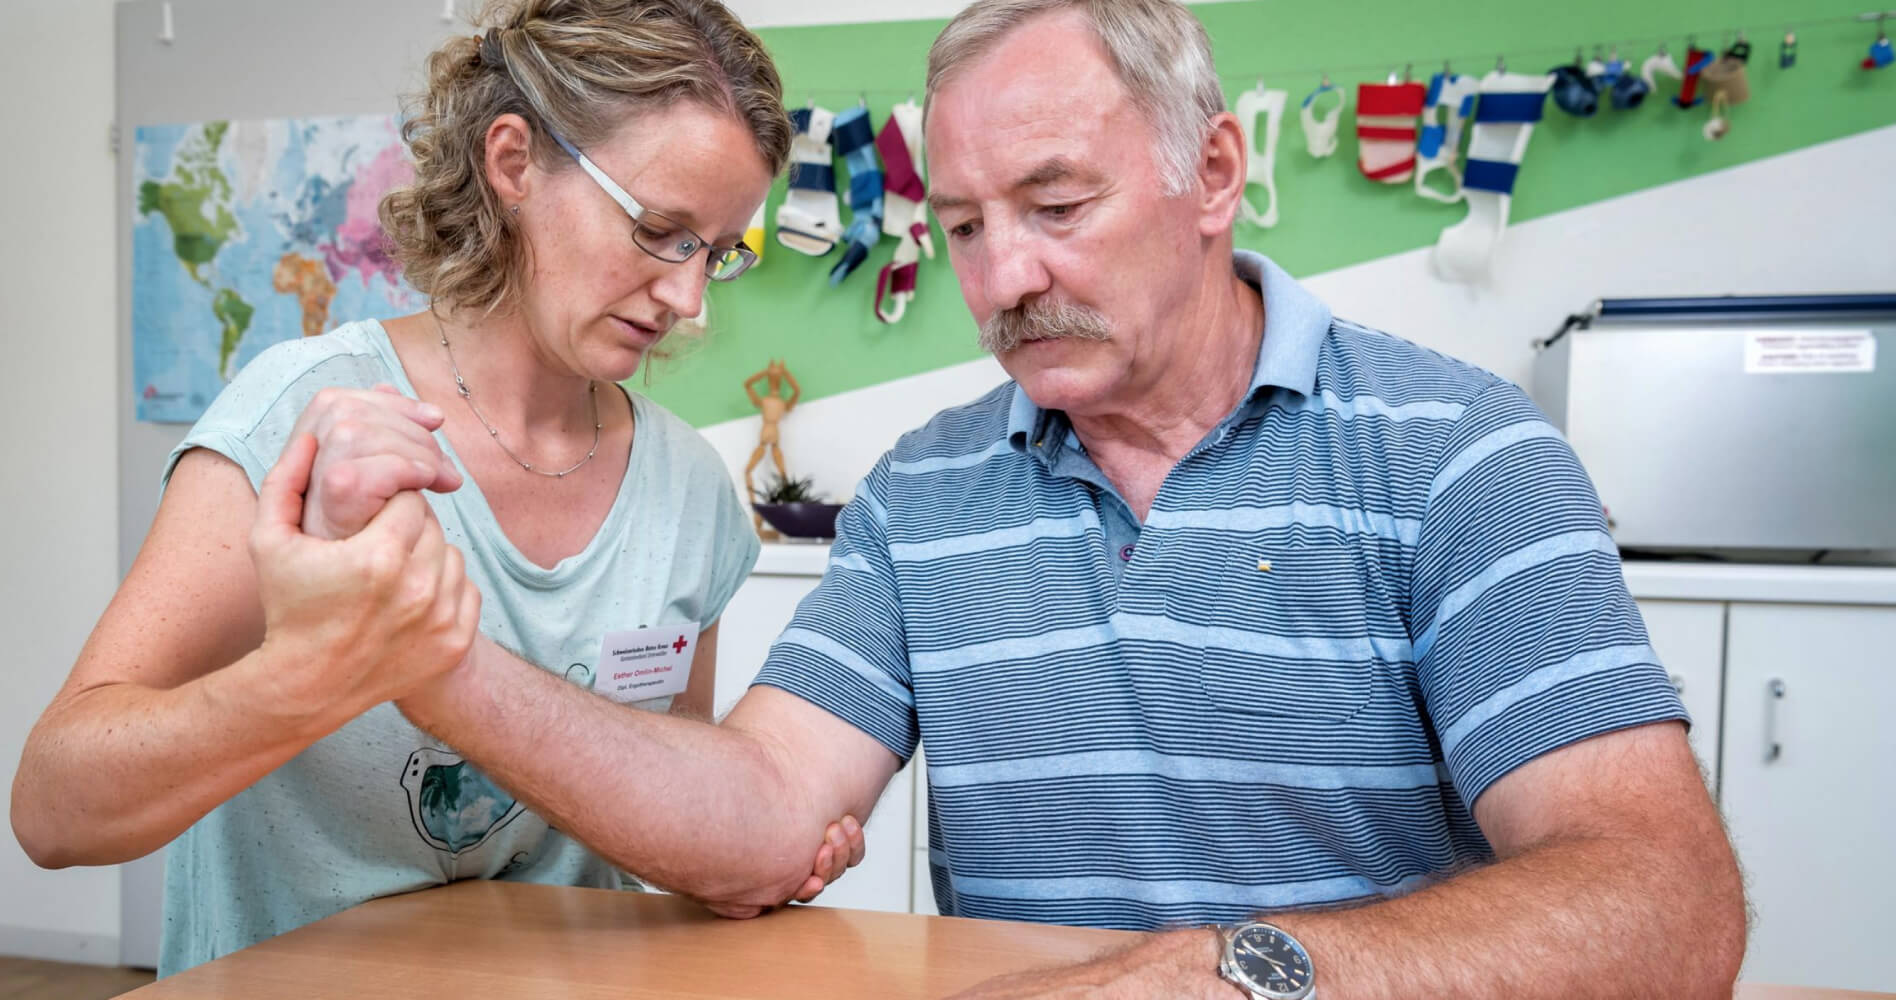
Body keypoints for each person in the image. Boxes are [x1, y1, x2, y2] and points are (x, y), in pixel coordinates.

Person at [286, 1, 1746, 997]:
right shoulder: (926, 495)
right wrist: (432, 661)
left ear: (1212, 173)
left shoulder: (1457, 453)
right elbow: (760, 811)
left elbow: (1664, 903)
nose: (1004, 278)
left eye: (1056, 207)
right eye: (965, 228)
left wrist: (1219, 974)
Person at [9, 0, 864, 977]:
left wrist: (733, 856)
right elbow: (52, 809)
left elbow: (658, 816)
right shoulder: (301, 420)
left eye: (717, 252)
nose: (689, 299)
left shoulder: (689, 493)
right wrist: (307, 676)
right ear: (514, 163)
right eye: (660, 230)